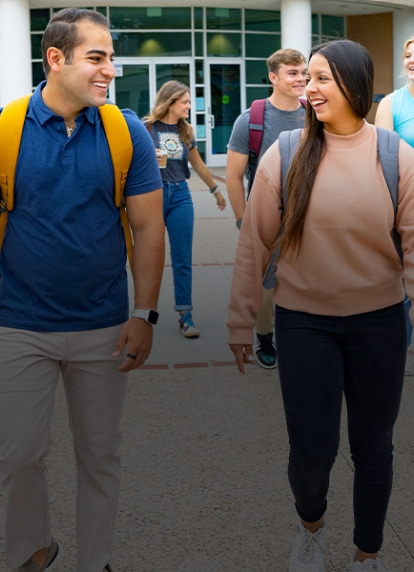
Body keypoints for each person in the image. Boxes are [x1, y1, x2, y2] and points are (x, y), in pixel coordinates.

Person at [227, 39, 414, 571]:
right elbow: (253, 245)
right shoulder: (284, 155)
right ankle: (311, 527)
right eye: (306, 78)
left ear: (354, 84)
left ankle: (367, 553)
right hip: (304, 324)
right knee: (311, 453)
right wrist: (241, 321)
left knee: (374, 448)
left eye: (321, 78)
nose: (308, 89)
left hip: (379, 323)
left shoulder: (395, 155)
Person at [0, 8, 165, 572]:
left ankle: (95, 562)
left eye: (110, 58)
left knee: (100, 454)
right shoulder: (5, 130)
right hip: (18, 323)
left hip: (103, 324)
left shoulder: (126, 133)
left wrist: (145, 313)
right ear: (55, 58)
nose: (110, 71)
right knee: (19, 456)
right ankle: (31, 553)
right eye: (97, 58)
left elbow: (148, 227)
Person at [226, 48, 307, 369]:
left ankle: (301, 337)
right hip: (266, 219)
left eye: (304, 72)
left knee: (305, 281)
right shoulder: (251, 121)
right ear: (273, 77)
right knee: (265, 286)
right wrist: (243, 220)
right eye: (293, 73)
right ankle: (264, 338)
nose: (301, 79)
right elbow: (233, 176)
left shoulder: (315, 113)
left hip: (310, 217)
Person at [144, 80, 226, 338]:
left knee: (182, 259)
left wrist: (216, 190)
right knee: (149, 260)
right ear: (171, 103)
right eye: (186, 102)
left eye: (190, 102)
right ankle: (143, 314)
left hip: (180, 195)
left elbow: (199, 166)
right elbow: (131, 160)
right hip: (153, 195)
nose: (190, 106)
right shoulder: (147, 128)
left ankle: (185, 316)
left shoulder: (185, 131)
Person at [375, 37, 414, 376]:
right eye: (407, 55)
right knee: (402, 279)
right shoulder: (391, 103)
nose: (412, 60)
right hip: (404, 201)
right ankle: (401, 349)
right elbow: (385, 159)